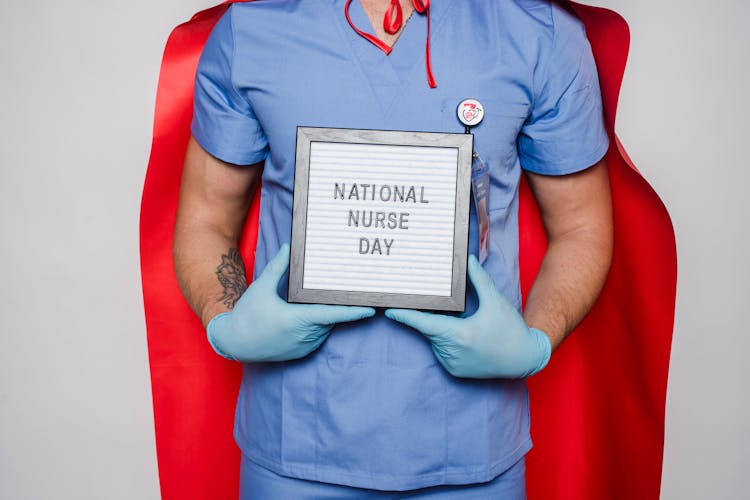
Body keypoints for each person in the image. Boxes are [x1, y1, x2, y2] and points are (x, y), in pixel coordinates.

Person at [173, 0, 613, 497]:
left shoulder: (538, 32)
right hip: (293, 445)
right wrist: (227, 321)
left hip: (471, 450)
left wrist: (534, 342)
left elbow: (582, 226)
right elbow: (206, 217)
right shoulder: (252, 30)